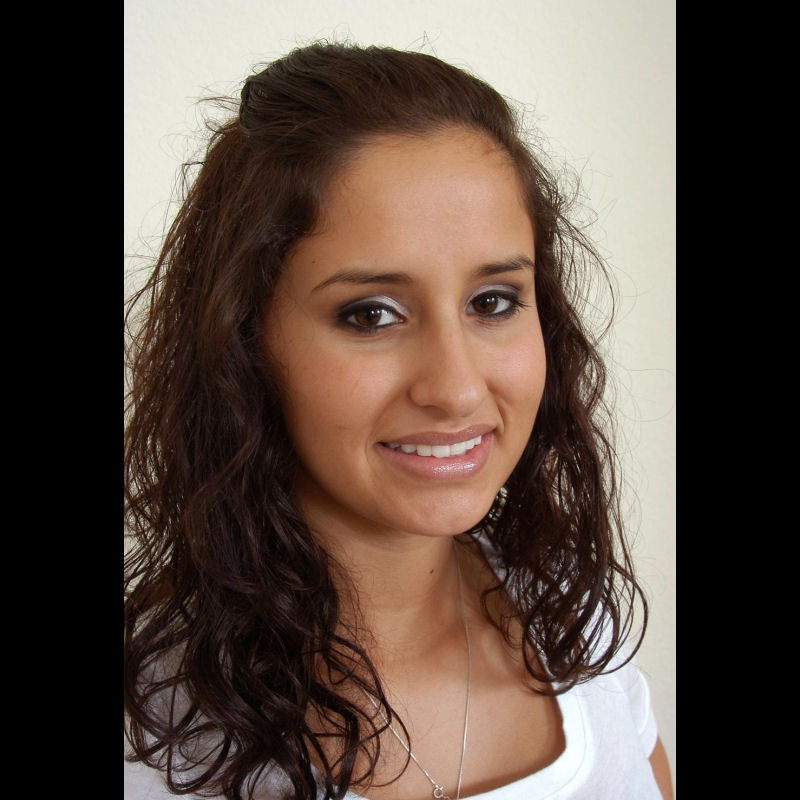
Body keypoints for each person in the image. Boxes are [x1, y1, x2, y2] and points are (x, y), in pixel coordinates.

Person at [124, 42, 673, 800]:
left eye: (493, 301)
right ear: (243, 341)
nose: (456, 389)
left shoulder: (578, 626)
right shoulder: (148, 740)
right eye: (372, 314)